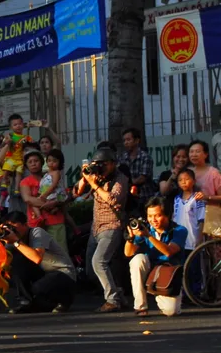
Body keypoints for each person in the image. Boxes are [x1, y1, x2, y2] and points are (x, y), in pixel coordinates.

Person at [74, 148, 129, 312]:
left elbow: (113, 199)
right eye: (97, 164)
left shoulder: (120, 179)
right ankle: (118, 294)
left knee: (99, 261)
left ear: (112, 164)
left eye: (103, 164)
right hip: (96, 228)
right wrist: (85, 178)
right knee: (91, 270)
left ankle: (112, 300)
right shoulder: (96, 177)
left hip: (112, 226)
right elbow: (76, 192)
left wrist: (93, 184)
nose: (100, 168)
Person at [0, 211, 75, 313]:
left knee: (38, 288)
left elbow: (37, 258)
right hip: (44, 273)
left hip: (63, 274)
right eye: (9, 227)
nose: (12, 231)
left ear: (25, 224)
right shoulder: (14, 240)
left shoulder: (36, 232)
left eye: (14, 227)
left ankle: (64, 301)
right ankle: (26, 303)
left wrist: (16, 241)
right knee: (15, 260)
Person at [125, 197, 187, 317]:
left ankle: (159, 294)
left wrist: (148, 236)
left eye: (157, 216)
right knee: (137, 260)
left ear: (168, 215)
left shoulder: (179, 230)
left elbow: (168, 252)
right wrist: (131, 238)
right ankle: (140, 306)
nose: (153, 220)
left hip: (168, 274)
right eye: (149, 216)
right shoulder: (146, 229)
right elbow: (128, 253)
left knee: (171, 311)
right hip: (150, 269)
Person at [0, 114, 33, 203]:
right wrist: (6, 142)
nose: (18, 126)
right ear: (11, 127)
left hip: (20, 160)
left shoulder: (26, 137)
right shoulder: (10, 136)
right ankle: (4, 182)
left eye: (20, 124)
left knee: (19, 173)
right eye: (15, 125)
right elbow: (1, 146)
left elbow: (32, 145)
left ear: (23, 125)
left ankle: (16, 189)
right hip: (11, 158)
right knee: (7, 169)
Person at [119, 128, 155, 207]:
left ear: (137, 140)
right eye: (124, 140)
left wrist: (127, 184)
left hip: (145, 197)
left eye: (128, 139)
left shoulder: (145, 157)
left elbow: (143, 178)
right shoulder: (122, 157)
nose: (126, 143)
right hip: (128, 199)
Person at [173, 168, 205, 254]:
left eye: (187, 179)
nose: (183, 182)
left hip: (193, 241)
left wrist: (200, 240)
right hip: (179, 242)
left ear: (194, 181)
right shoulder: (177, 199)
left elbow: (201, 220)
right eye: (180, 180)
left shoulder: (197, 198)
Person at [189, 140, 221, 205]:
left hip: (210, 212)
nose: (194, 155)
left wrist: (206, 197)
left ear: (206, 154)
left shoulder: (213, 173)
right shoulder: (187, 172)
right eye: (191, 152)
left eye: (197, 151)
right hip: (192, 213)